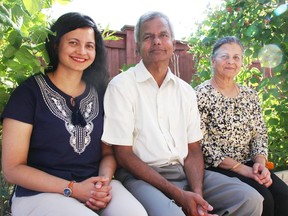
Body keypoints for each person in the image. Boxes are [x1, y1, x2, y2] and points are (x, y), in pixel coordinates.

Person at [101, 11, 264, 216]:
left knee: (250, 199)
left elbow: (193, 149)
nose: (157, 41)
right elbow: (123, 155)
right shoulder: (121, 86)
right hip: (140, 176)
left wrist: (197, 195)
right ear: (137, 47)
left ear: (173, 42)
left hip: (184, 172)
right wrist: (179, 195)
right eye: (148, 37)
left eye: (163, 35)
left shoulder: (185, 91)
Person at [1, 12, 147, 216]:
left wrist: (102, 184)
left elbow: (107, 153)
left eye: (89, 46)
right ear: (55, 45)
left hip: (92, 185)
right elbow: (12, 169)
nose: (82, 51)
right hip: (39, 194)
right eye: (73, 42)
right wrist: (74, 189)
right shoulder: (28, 94)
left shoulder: (101, 93)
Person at [195, 36, 288, 216]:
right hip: (218, 168)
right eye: (225, 56)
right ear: (213, 61)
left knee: (284, 196)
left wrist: (260, 164)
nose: (231, 61)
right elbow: (202, 143)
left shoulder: (249, 95)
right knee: (264, 200)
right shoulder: (201, 94)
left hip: (249, 164)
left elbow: (260, 133)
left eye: (236, 57)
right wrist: (241, 168)